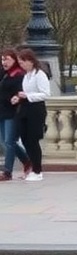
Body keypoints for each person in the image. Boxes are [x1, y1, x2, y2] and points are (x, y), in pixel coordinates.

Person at [11, 48, 51, 182]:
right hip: (25, 108)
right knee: (25, 138)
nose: (21, 65)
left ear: (30, 61)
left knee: (33, 140)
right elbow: (26, 92)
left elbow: (45, 94)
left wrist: (27, 95)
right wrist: (19, 97)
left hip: (36, 110)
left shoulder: (40, 74)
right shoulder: (26, 76)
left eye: (22, 62)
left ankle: (38, 170)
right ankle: (33, 167)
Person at [0, 48, 31, 181]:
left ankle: (7, 171)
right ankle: (27, 161)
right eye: (2, 59)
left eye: (7, 59)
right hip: (2, 111)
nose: (4, 62)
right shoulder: (5, 74)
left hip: (12, 112)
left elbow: (22, 92)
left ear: (14, 60)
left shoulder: (19, 75)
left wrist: (17, 97)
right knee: (6, 142)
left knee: (9, 142)